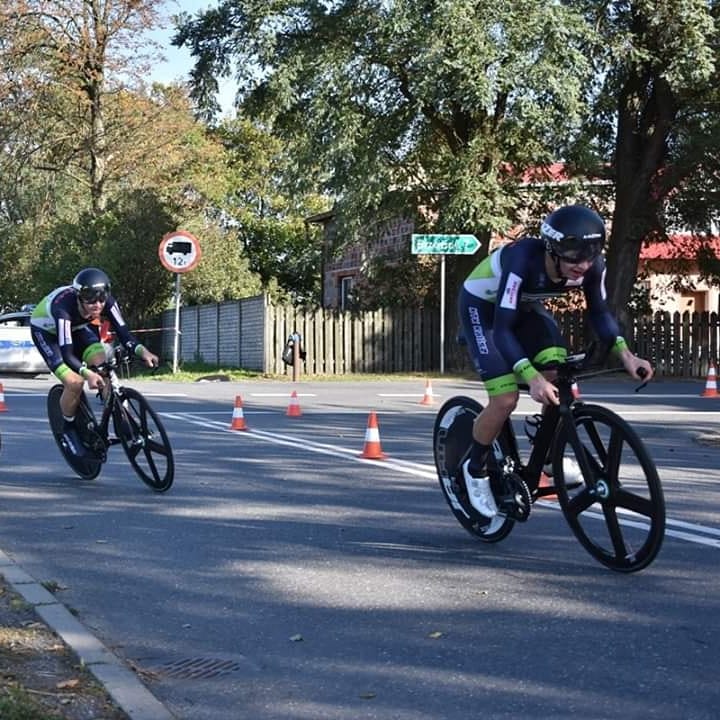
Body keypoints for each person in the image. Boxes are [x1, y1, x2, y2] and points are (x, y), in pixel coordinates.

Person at [457, 204, 654, 518]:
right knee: (505, 398)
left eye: (590, 257)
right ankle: (474, 467)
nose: (582, 266)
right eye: (574, 259)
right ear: (552, 250)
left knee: (559, 372)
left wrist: (626, 355)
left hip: (525, 307)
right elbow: (504, 330)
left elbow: (600, 313)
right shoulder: (522, 260)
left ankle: (548, 449)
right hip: (484, 311)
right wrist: (530, 376)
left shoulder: (591, 266)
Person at [30, 268, 158, 455]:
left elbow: (124, 334)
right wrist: (87, 373)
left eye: (101, 299)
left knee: (103, 367)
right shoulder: (63, 307)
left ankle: (120, 419)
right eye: (90, 300)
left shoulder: (107, 303)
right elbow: (67, 354)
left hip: (80, 327)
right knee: (75, 382)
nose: (97, 305)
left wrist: (143, 351)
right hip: (48, 334)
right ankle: (68, 427)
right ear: (79, 296)